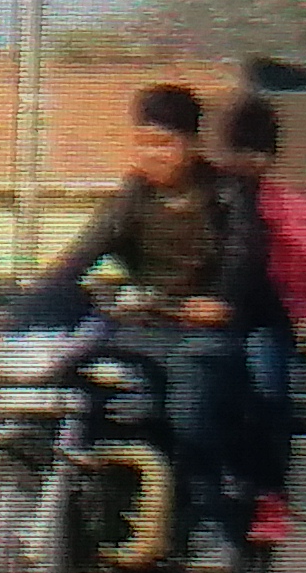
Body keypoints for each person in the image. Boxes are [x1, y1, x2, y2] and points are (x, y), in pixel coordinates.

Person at [35, 82, 264, 539]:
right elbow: (84, 252)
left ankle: (206, 524)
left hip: (204, 336)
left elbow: (245, 254)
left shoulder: (228, 194)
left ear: (191, 144)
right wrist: (39, 296)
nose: (150, 154)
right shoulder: (131, 198)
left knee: (187, 414)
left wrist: (221, 299)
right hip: (138, 329)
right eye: (142, 141)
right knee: (81, 396)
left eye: (163, 142)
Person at [207, 92, 306, 544]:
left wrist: (301, 323)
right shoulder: (206, 198)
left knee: (268, 394)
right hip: (200, 317)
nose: (243, 162)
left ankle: (270, 497)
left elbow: (304, 283)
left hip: (259, 322)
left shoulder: (291, 212)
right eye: (237, 152)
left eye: (250, 153)